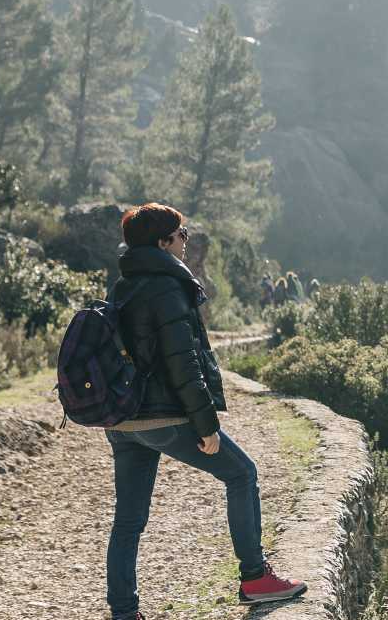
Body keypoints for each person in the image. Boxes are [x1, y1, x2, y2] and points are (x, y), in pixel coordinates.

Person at [104, 202, 306, 619]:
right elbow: (183, 362)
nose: (186, 241)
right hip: (164, 417)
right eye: (182, 235)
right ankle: (254, 578)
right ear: (164, 242)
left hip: (122, 420)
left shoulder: (121, 286)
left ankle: (124, 612)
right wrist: (205, 423)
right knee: (242, 473)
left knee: (128, 521)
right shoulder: (167, 286)